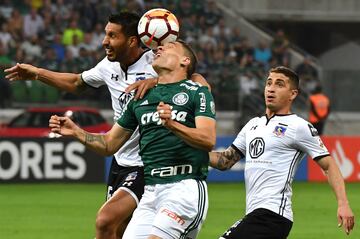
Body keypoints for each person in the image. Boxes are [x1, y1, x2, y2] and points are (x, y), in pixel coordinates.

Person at [4, 12, 209, 239]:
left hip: (146, 162)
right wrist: (37, 74)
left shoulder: (157, 61)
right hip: (120, 158)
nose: (104, 41)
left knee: (105, 220)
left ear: (132, 41)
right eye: (105, 34)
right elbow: (76, 82)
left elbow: (196, 80)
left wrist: (155, 80)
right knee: (118, 230)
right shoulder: (107, 67)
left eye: (112, 35)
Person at [49, 40, 216, 239]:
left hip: (184, 187)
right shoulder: (139, 99)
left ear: (185, 61)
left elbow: (207, 139)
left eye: (169, 47)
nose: (159, 48)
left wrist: (172, 124)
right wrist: (77, 132)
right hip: (151, 192)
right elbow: (109, 144)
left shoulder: (198, 92)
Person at [209, 66, 354, 239]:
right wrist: (191, 151)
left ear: (292, 94)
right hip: (257, 214)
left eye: (279, 84)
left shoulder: (299, 126)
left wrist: (343, 204)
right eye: (269, 83)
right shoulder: (253, 124)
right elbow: (225, 161)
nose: (271, 88)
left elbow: (329, 165)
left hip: (273, 214)